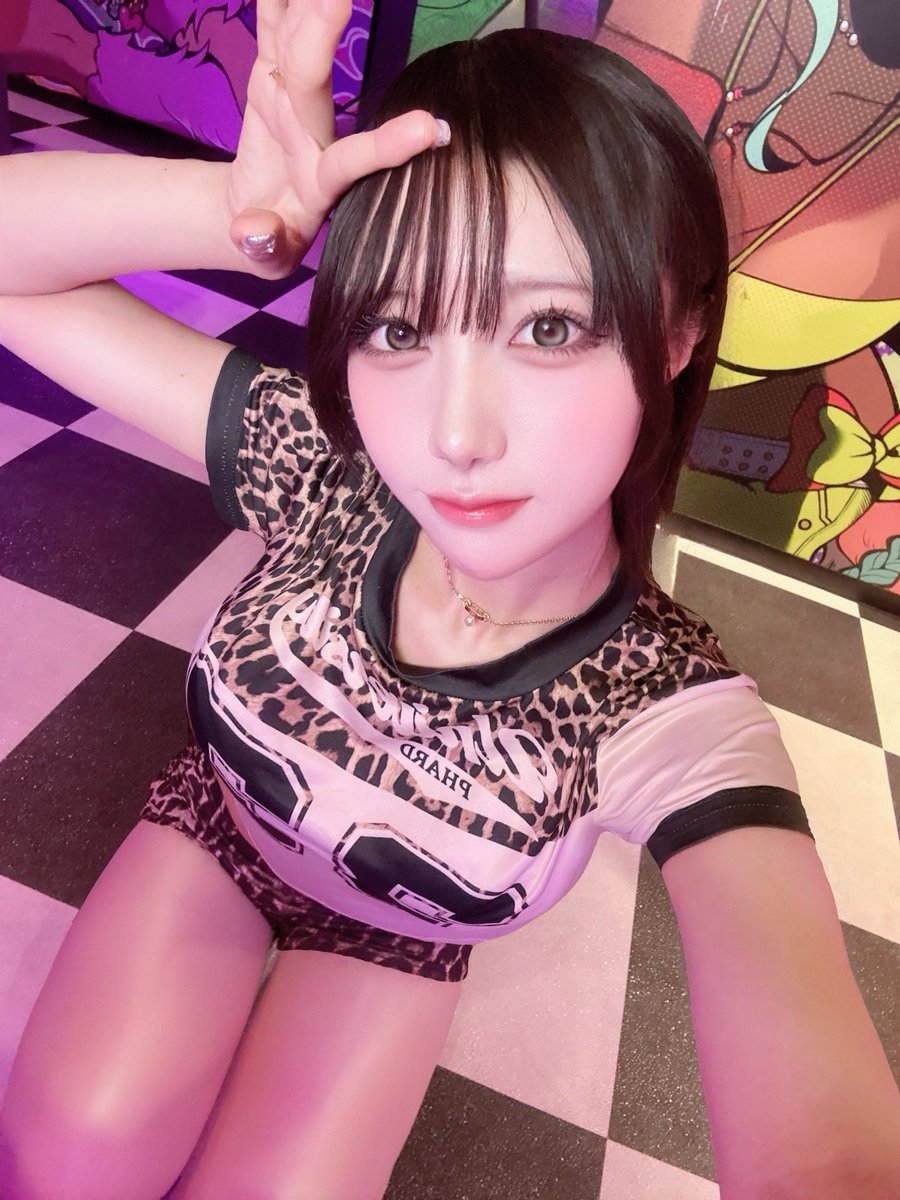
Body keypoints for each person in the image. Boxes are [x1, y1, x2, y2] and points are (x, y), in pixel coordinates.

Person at [0, 3, 898, 1197]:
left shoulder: (662, 712)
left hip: (399, 936)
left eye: (548, 325)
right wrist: (238, 215)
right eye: (399, 326)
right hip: (218, 828)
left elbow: (820, 1136)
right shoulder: (328, 468)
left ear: (678, 333)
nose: (456, 436)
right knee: (66, 1156)